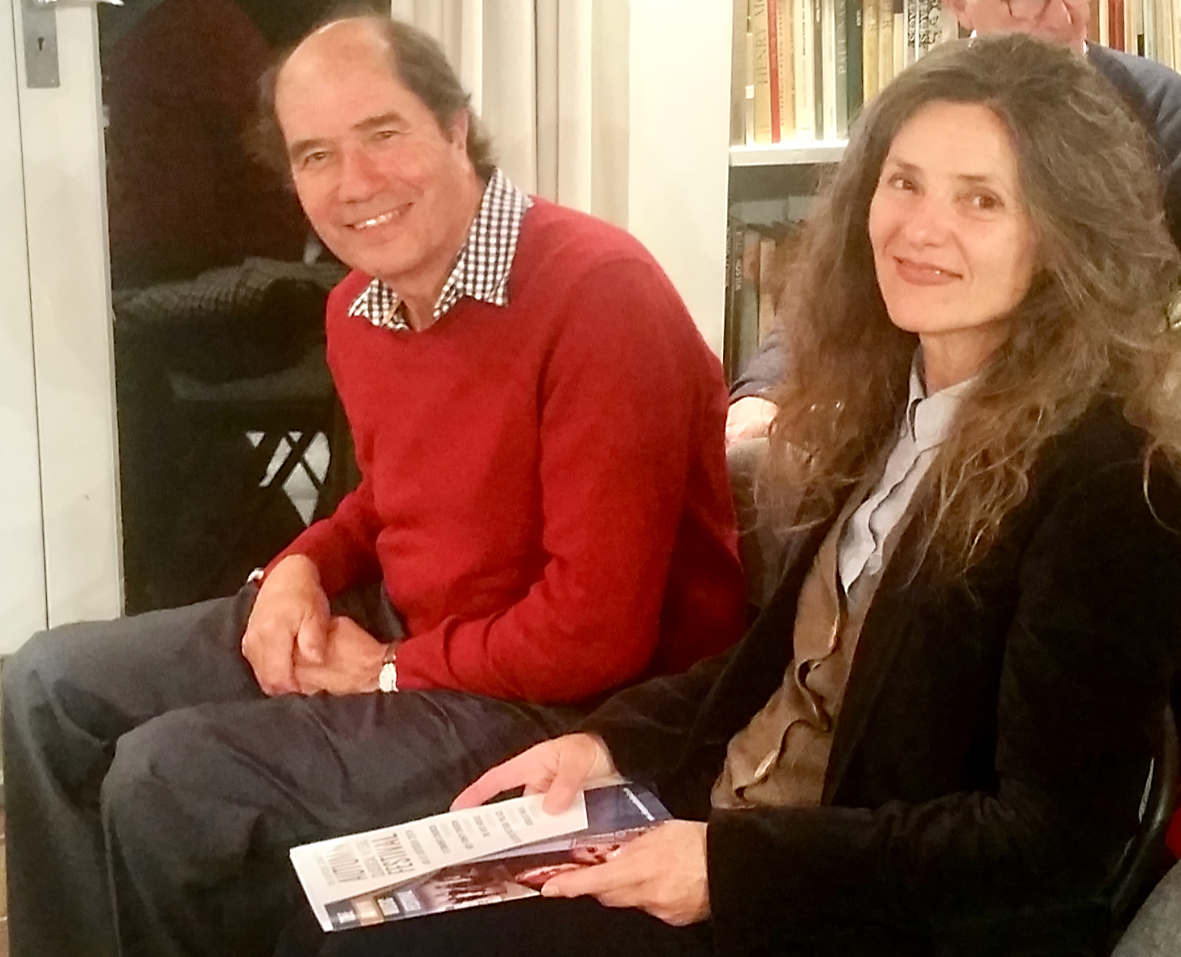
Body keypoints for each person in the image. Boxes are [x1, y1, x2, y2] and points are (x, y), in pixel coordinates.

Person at [276, 34, 1181, 957]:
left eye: (980, 200)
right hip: (717, 831)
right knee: (346, 906)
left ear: (1066, 231)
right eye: (902, 183)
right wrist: (610, 744)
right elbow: (776, 662)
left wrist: (724, 867)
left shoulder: (1112, 481)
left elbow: (1051, 840)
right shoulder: (886, 407)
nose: (919, 229)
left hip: (842, 916)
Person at [0, 13, 747, 957]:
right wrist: (300, 568)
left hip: (574, 706)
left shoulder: (598, 295)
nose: (353, 184)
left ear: (454, 128)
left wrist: (387, 672)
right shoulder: (359, 307)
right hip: (419, 632)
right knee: (46, 686)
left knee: (174, 777)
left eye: (382, 133)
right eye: (315, 155)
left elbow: (593, 630)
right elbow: (389, 501)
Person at [725, 0, 1181, 445]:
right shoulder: (911, 105)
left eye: (983, 199)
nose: (1053, 12)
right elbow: (845, 265)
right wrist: (767, 387)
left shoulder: (1160, 107)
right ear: (959, 7)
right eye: (1016, 0)